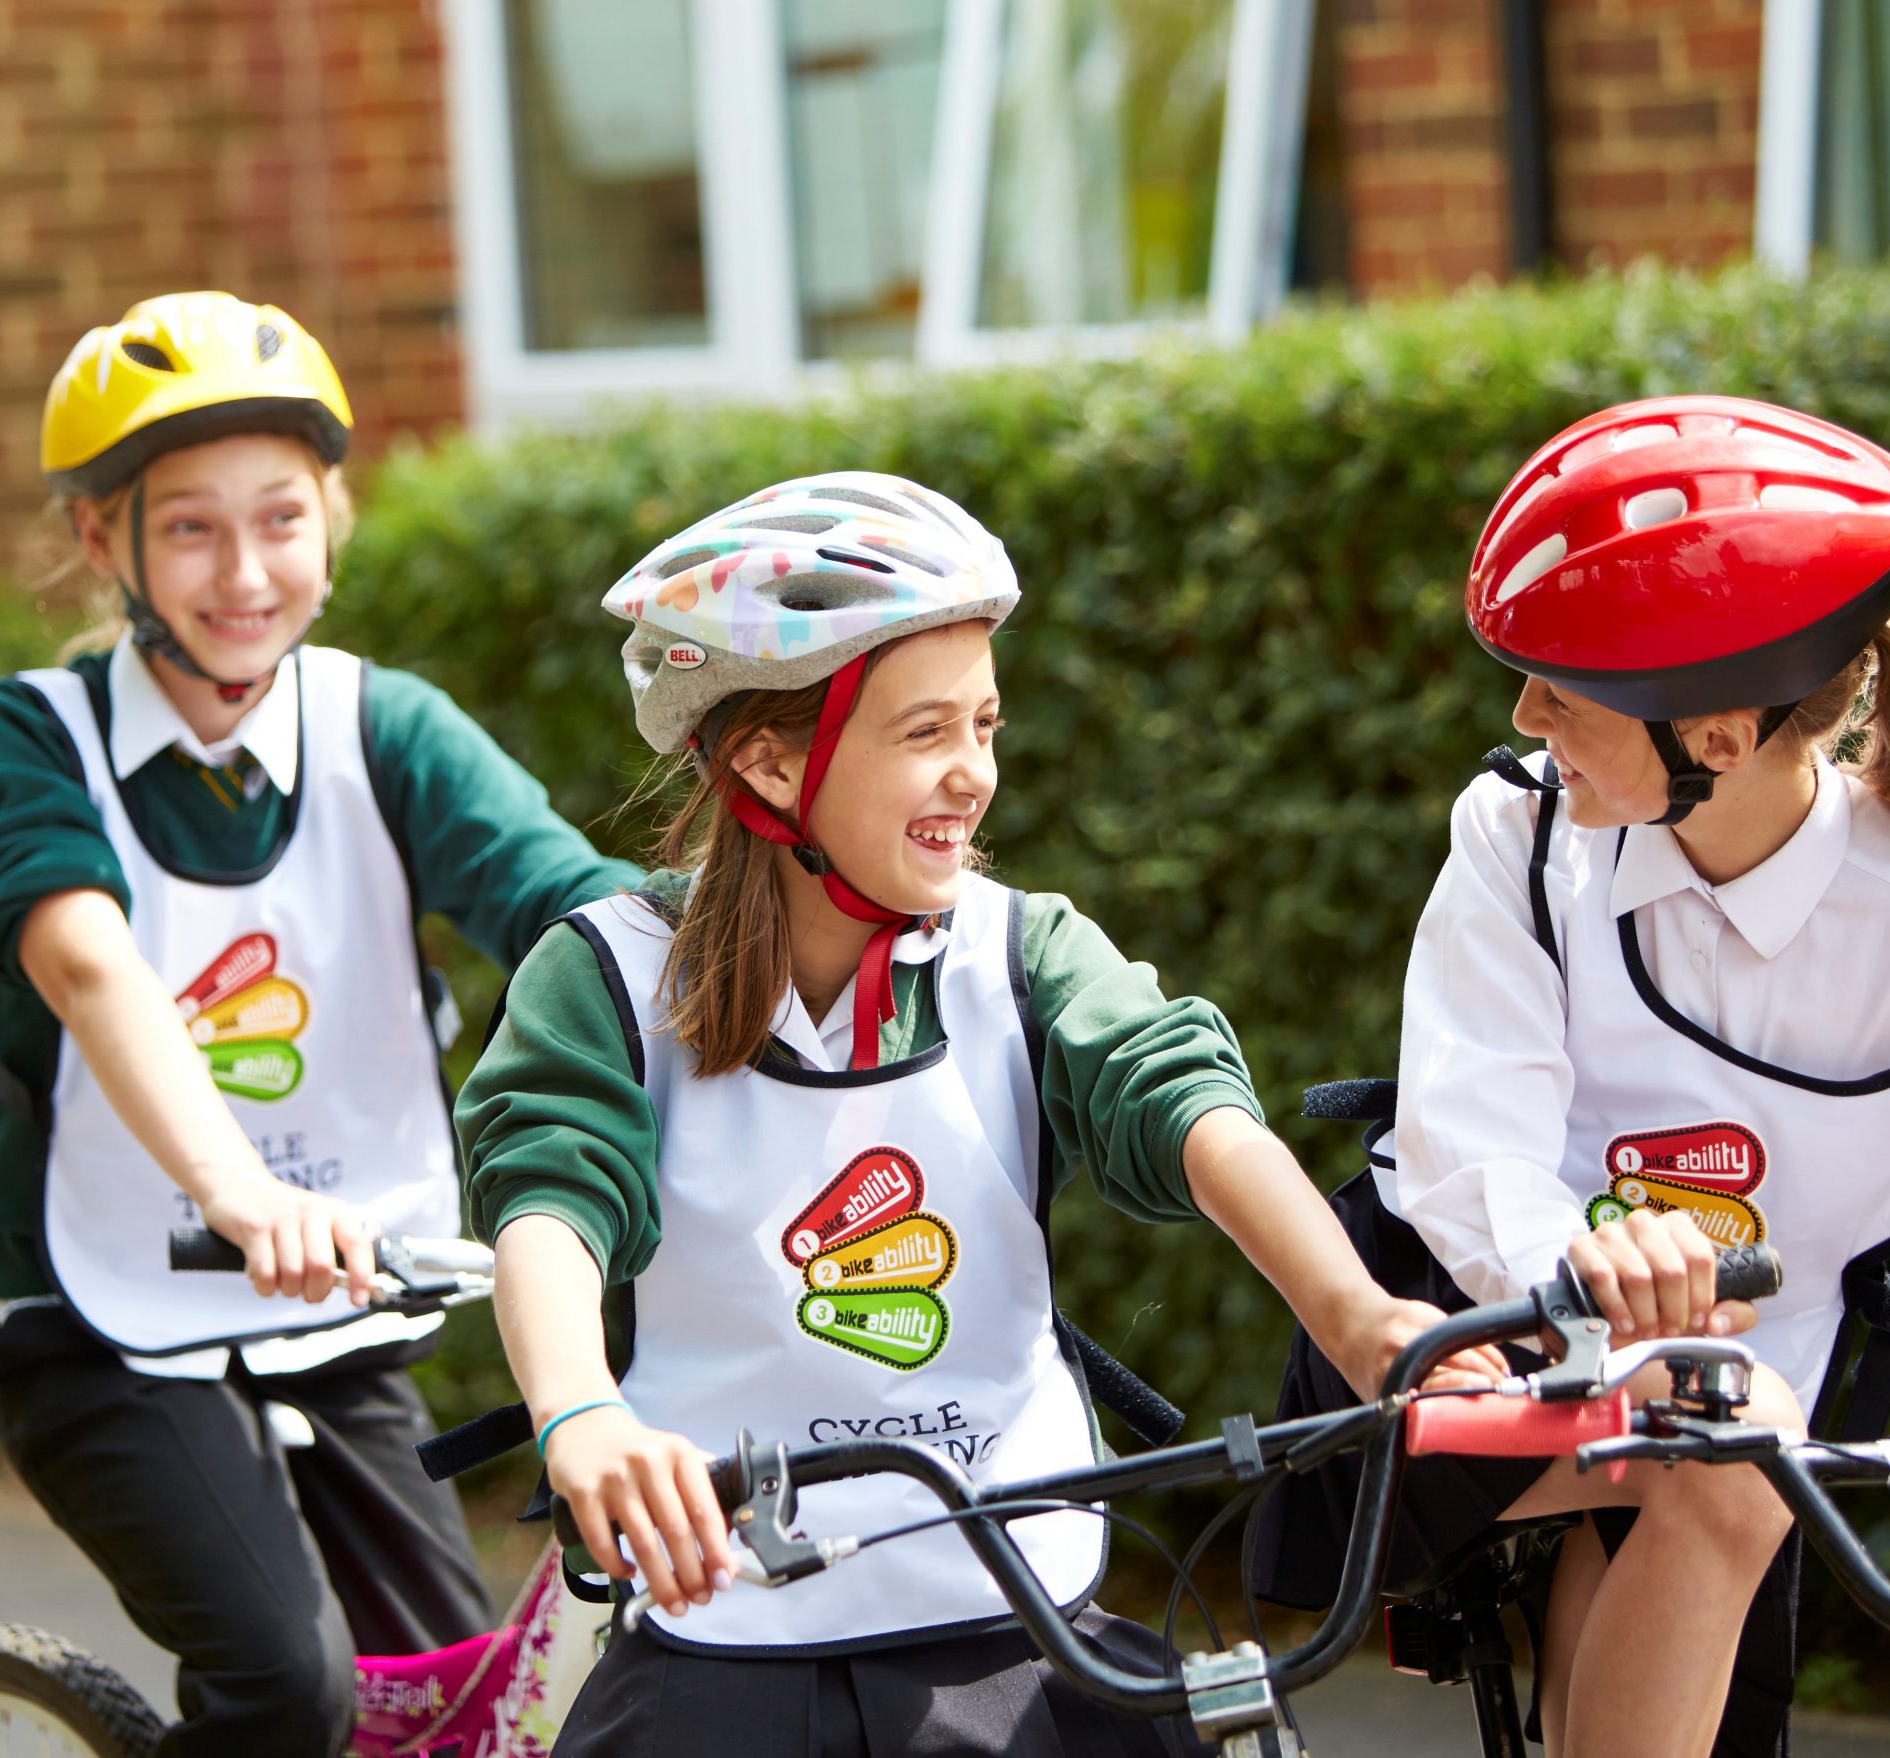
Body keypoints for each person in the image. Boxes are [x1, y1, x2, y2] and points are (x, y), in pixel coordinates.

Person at [458, 471, 1505, 1758]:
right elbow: (547, 1198)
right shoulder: (609, 970)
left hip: (1012, 1598)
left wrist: (1356, 1317)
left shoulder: (1018, 950)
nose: (975, 775)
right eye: (924, 733)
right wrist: (581, 1416)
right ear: (771, 763)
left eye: (986, 726)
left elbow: (1182, 1102)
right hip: (724, 1609)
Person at [1251, 395, 1890, 1758]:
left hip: (1725, 1430)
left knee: (1721, 1450)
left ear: (1716, 737)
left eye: (1563, 688)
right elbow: (1462, 1156)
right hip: (1461, 1345)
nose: (1523, 712)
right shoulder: (1519, 832)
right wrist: (1594, 1267)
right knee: (1724, 1435)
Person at [0, 291, 639, 1756]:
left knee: (467, 1708)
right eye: (188, 526)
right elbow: (91, 968)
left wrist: (787, 962)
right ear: (99, 541)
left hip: (335, 1305)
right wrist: (238, 1189)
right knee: (287, 1688)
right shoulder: (14, 742)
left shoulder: (389, 729)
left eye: (282, 517)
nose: (245, 571)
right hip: (98, 1315)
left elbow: (579, 915)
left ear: (335, 518)